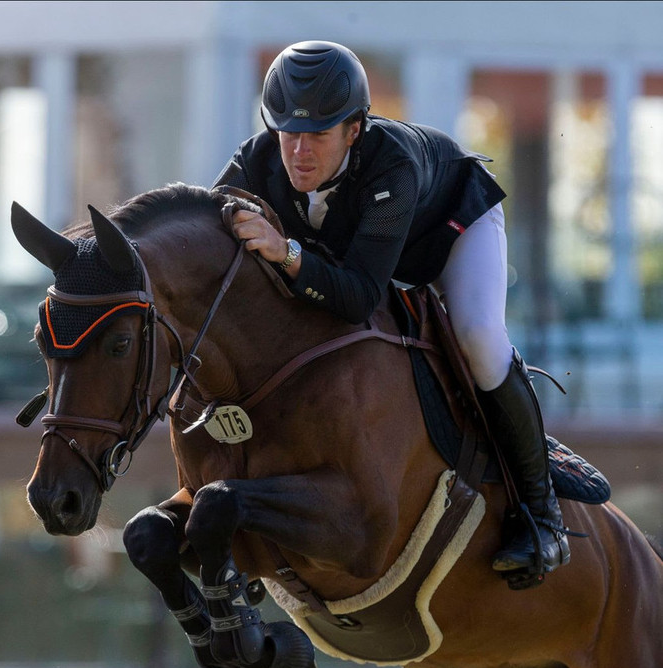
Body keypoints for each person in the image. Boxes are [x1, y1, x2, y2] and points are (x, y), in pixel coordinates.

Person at [212, 40, 570, 580]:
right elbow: (204, 238)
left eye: (318, 136)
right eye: (289, 134)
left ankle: (543, 519)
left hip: (451, 231)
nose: (299, 153)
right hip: (369, 252)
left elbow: (357, 297)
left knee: (478, 338)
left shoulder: (391, 165)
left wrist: (285, 252)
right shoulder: (256, 160)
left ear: (354, 129)